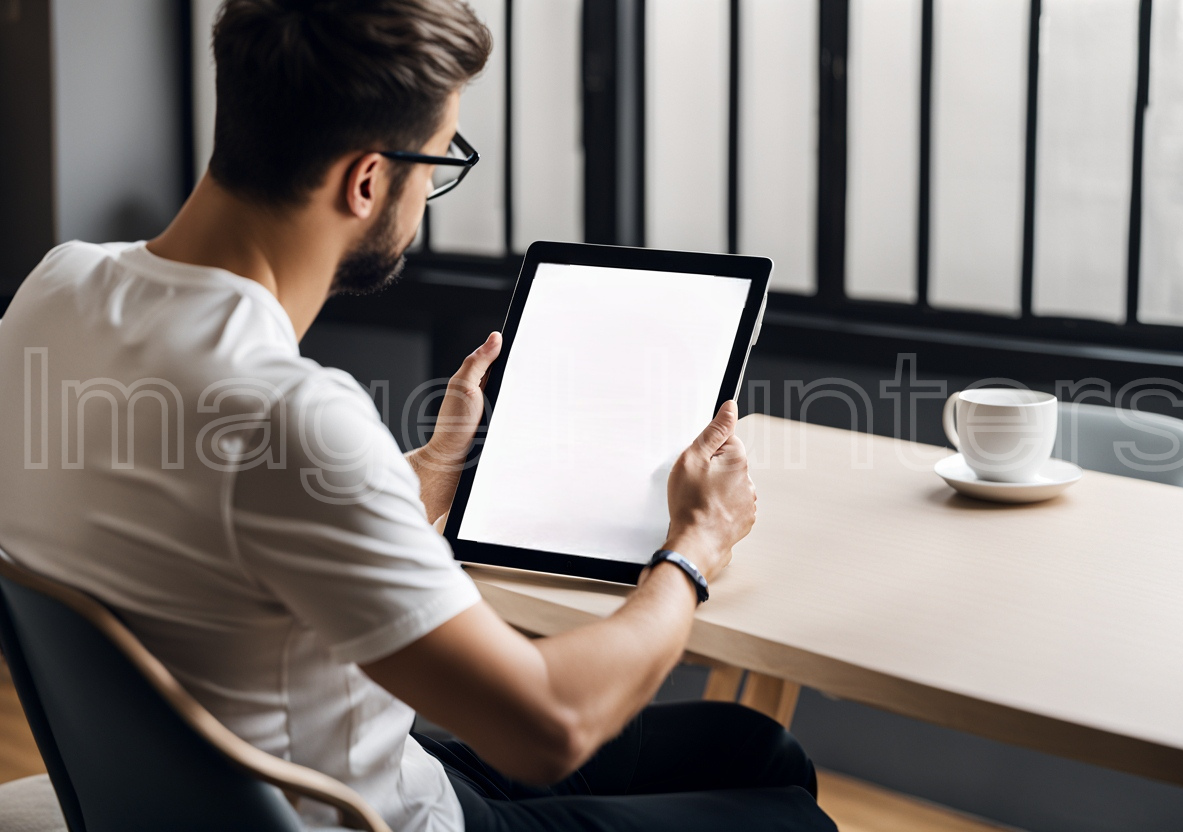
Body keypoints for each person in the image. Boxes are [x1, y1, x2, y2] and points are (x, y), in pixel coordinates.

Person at [0, 1, 835, 830]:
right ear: (367, 180)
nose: (430, 192)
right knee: (788, 810)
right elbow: (549, 727)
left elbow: (225, 524)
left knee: (759, 753)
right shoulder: (288, 413)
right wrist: (692, 546)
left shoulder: (55, 292)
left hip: (228, 788)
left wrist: (438, 464)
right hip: (375, 818)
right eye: (438, 163)